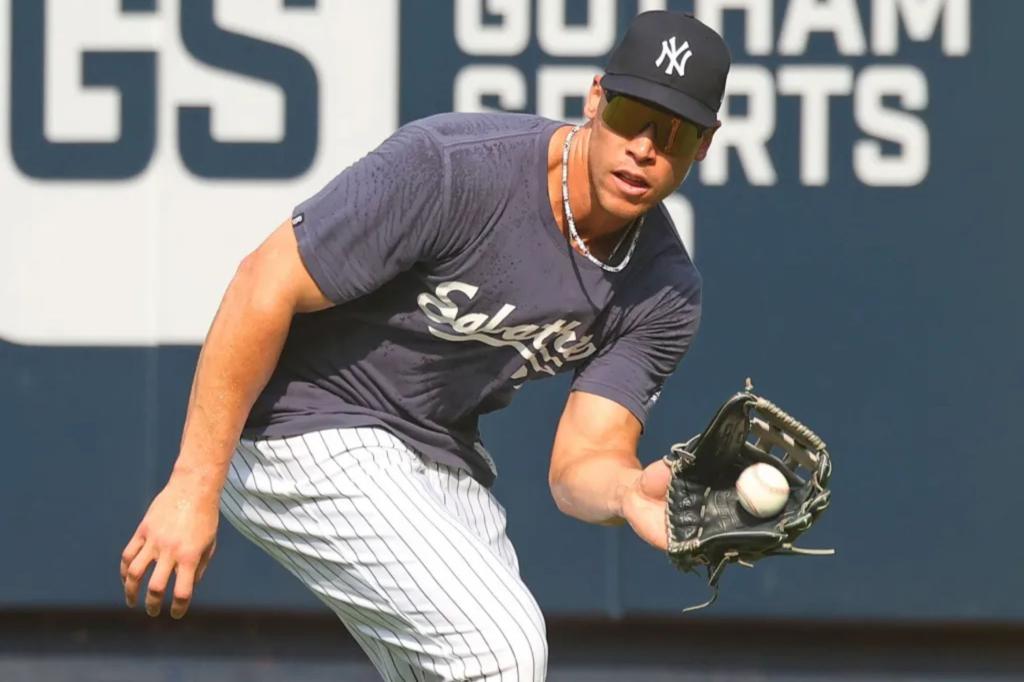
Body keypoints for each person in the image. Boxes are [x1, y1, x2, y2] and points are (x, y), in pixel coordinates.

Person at [120, 10, 731, 681]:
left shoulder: (664, 291)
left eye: (674, 132)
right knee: (499, 648)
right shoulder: (455, 167)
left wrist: (625, 492)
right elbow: (262, 285)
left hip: (435, 457)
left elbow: (582, 461)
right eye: (630, 113)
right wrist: (192, 484)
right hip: (294, 425)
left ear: (703, 146)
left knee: (491, 668)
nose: (645, 146)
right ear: (594, 99)